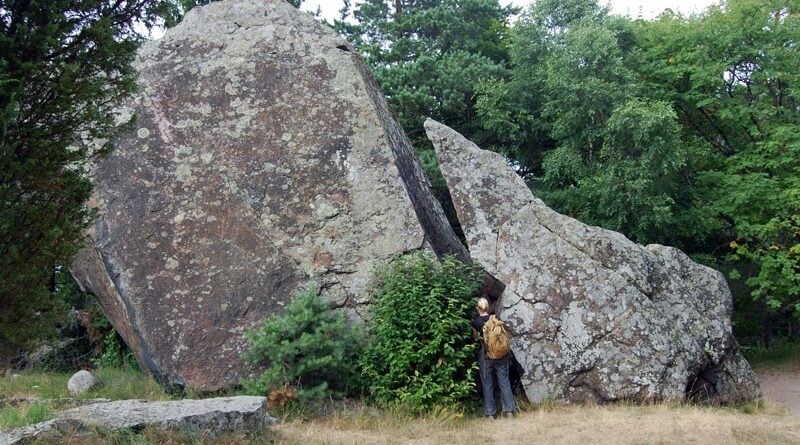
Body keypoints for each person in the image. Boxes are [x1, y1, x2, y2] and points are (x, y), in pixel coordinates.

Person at [471, 296, 516, 418]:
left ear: (477, 308)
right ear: (488, 307)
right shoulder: (496, 320)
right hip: (501, 355)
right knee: (504, 382)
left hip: (486, 356)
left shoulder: (476, 323)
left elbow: (476, 339)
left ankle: (490, 413)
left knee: (487, 384)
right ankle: (509, 411)